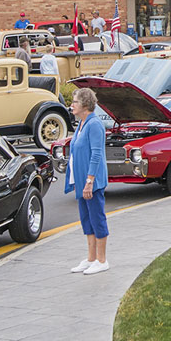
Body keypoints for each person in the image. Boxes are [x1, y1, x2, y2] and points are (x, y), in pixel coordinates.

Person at [66, 87, 110, 275]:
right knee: (86, 219)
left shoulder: (94, 124)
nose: (71, 105)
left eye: (74, 102)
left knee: (97, 217)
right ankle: (91, 258)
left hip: (92, 181)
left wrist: (90, 180)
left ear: (85, 104)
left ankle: (102, 260)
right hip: (81, 179)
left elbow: (97, 154)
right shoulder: (82, 123)